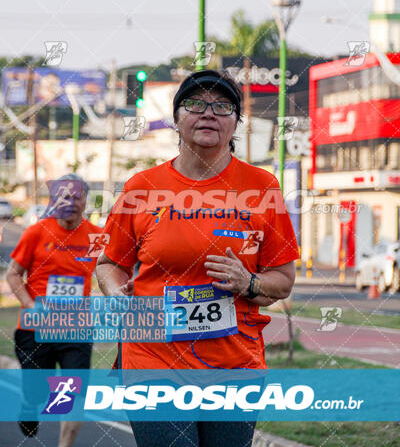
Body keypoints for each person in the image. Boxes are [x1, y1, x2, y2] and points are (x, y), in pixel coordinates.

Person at [96, 70, 299, 447]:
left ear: (236, 122)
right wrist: (115, 294)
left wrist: (249, 283)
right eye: (195, 104)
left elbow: (283, 279)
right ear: (176, 119)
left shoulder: (262, 187)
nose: (208, 113)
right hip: (152, 357)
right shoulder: (143, 187)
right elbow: (110, 263)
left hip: (233, 364)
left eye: (222, 106)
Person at [7, 173, 103, 447]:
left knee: (69, 395)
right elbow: (13, 275)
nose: (69, 202)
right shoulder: (36, 232)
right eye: (63, 196)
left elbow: (107, 272)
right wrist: (30, 304)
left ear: (85, 200)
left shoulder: (96, 236)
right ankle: (29, 404)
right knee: (37, 393)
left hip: (76, 329)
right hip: (35, 329)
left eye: (76, 196)